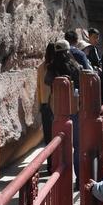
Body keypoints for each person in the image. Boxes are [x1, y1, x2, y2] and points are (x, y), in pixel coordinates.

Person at [46, 39, 82, 182]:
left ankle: (61, 180)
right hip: (74, 107)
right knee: (77, 145)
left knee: (60, 145)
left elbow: (47, 81)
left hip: (57, 109)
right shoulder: (75, 66)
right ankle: (79, 179)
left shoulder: (51, 67)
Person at [36, 42, 56, 172]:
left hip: (44, 105)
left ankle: (50, 165)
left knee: (48, 137)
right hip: (57, 106)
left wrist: (40, 104)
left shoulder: (40, 68)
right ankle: (57, 163)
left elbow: (38, 88)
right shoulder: (56, 67)